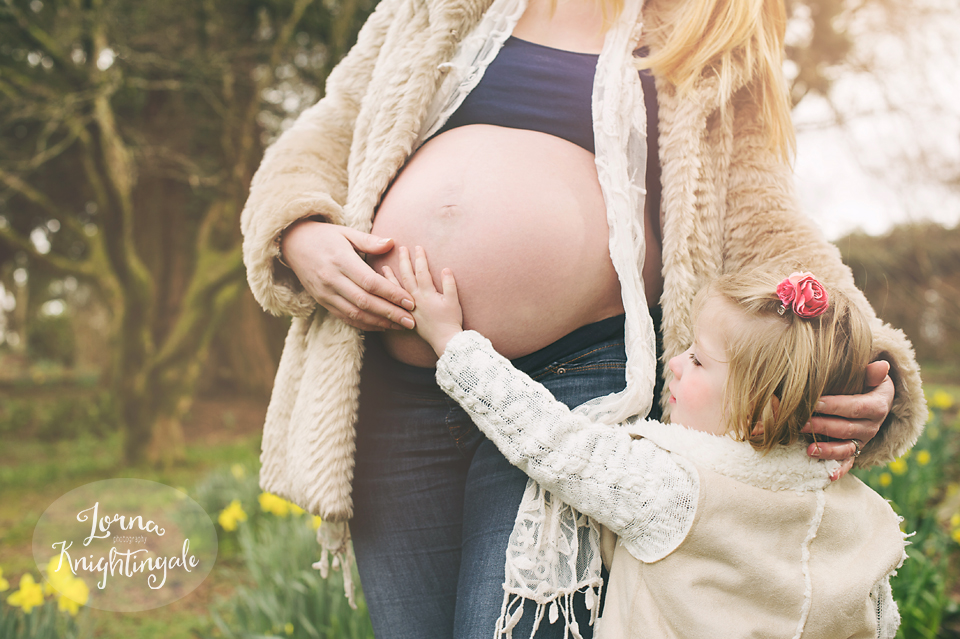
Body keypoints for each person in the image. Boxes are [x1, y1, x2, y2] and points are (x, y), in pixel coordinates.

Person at [239, 0, 926, 635]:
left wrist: (860, 356)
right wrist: (297, 229)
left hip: (574, 390)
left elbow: (763, 218)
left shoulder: (703, 30)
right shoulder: (431, 6)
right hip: (395, 397)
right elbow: (327, 131)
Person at [390, 247, 906, 638]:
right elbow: (879, 622)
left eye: (699, 361)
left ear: (763, 411)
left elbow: (551, 438)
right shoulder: (868, 517)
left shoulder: (672, 489)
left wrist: (453, 345)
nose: (675, 362)